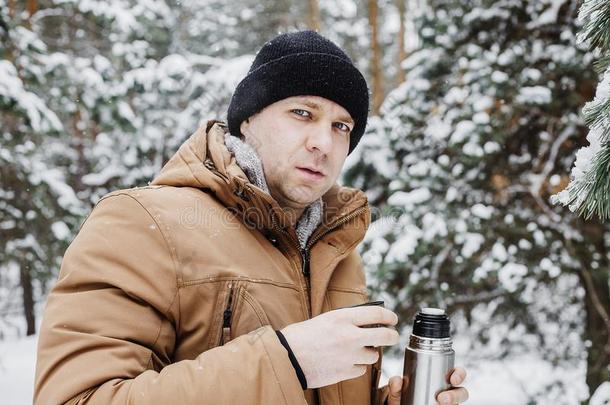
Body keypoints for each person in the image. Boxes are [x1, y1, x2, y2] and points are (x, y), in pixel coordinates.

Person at [34, 30, 469, 405]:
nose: (324, 142)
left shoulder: (335, 250)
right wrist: (289, 362)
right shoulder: (141, 220)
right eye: (303, 113)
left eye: (342, 126)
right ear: (248, 120)